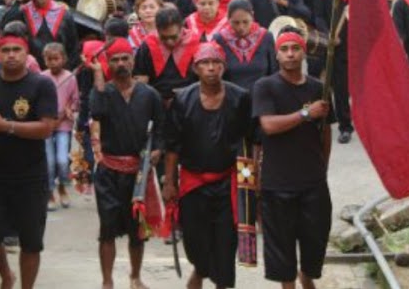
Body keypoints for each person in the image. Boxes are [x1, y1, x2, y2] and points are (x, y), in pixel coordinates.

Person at [0, 34, 59, 289]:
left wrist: (6, 126)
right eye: (5, 50)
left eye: (17, 49)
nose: (11, 55)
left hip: (31, 176)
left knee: (31, 241)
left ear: (26, 54)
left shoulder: (42, 85)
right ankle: (6, 275)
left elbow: (46, 128)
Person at [162, 42, 253, 289]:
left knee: (225, 246)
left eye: (216, 63)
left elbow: (250, 142)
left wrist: (252, 182)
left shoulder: (240, 97)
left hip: (228, 182)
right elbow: (172, 146)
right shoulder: (182, 99)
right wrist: (169, 182)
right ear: (196, 68)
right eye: (205, 63)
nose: (211, 68)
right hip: (193, 183)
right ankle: (200, 270)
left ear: (224, 67)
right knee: (195, 244)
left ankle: (220, 281)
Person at [252, 28, 334, 289]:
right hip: (277, 185)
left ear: (304, 52)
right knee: (282, 253)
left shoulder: (319, 89)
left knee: (315, 244)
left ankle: (306, 278)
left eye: (295, 48)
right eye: (284, 49)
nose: (290, 54)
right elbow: (268, 125)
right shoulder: (265, 87)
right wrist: (305, 114)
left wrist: (322, 167)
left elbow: (326, 133)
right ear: (276, 55)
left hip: (313, 183)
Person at [88, 38, 163, 289]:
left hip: (138, 173)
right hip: (108, 172)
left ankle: (135, 277)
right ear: (107, 63)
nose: (120, 64)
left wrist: (158, 149)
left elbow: (162, 128)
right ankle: (107, 281)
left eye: (125, 58)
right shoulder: (102, 92)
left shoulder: (149, 94)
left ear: (132, 61)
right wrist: (98, 76)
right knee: (107, 229)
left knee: (136, 230)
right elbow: (97, 113)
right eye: (115, 60)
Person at [314, 0, 353, 143]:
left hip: (359, 46)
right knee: (341, 89)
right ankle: (345, 126)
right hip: (338, 47)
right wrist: (328, 34)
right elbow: (319, 16)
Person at [3, 0, 79, 69]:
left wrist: (66, 72)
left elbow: (73, 49)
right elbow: (5, 25)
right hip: (32, 71)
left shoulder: (64, 14)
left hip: (59, 71)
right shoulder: (23, 13)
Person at [40, 43, 79, 211]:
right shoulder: (41, 77)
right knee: (49, 162)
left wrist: (69, 109)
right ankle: (49, 193)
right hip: (46, 125)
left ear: (64, 59)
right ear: (45, 60)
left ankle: (62, 186)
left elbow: (75, 100)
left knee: (62, 160)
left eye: (56, 58)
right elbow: (37, 101)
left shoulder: (71, 77)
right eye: (49, 59)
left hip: (63, 124)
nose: (53, 62)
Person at [134, 7, 200, 105]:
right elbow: (141, 77)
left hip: (191, 100)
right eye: (164, 38)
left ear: (181, 28)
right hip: (157, 100)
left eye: (174, 37)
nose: (169, 42)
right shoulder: (148, 45)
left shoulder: (197, 43)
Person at [214, 0, 278, 89]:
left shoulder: (266, 37)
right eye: (236, 23)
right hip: (231, 94)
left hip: (261, 93)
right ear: (228, 19)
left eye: (245, 22)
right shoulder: (220, 39)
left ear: (252, 16)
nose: (241, 27)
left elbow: (274, 71)